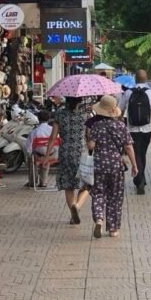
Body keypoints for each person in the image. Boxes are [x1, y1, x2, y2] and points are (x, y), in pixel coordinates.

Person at [86, 95, 137, 238]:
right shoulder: (121, 126)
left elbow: (91, 146)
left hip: (99, 164)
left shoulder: (96, 126)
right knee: (115, 196)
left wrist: (89, 138)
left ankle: (99, 219)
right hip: (116, 165)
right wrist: (134, 165)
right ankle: (113, 229)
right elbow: (128, 147)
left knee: (98, 193)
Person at [44, 96, 91, 224]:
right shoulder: (85, 116)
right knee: (87, 184)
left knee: (68, 185)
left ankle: (72, 212)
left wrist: (47, 156)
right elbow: (90, 139)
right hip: (81, 154)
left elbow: (53, 138)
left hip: (65, 154)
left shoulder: (59, 115)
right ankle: (78, 206)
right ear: (80, 101)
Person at [119, 68, 151, 194]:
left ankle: (140, 179)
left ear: (135, 79)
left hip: (131, 129)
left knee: (136, 153)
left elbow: (120, 111)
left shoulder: (128, 93)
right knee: (142, 153)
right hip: (147, 130)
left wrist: (119, 124)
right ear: (146, 78)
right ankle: (140, 180)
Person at [25, 109, 54, 188]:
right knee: (46, 155)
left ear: (38, 118)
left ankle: (32, 181)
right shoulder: (53, 130)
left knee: (32, 158)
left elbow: (28, 146)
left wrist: (29, 153)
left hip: (38, 156)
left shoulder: (35, 131)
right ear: (49, 118)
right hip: (52, 155)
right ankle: (43, 182)